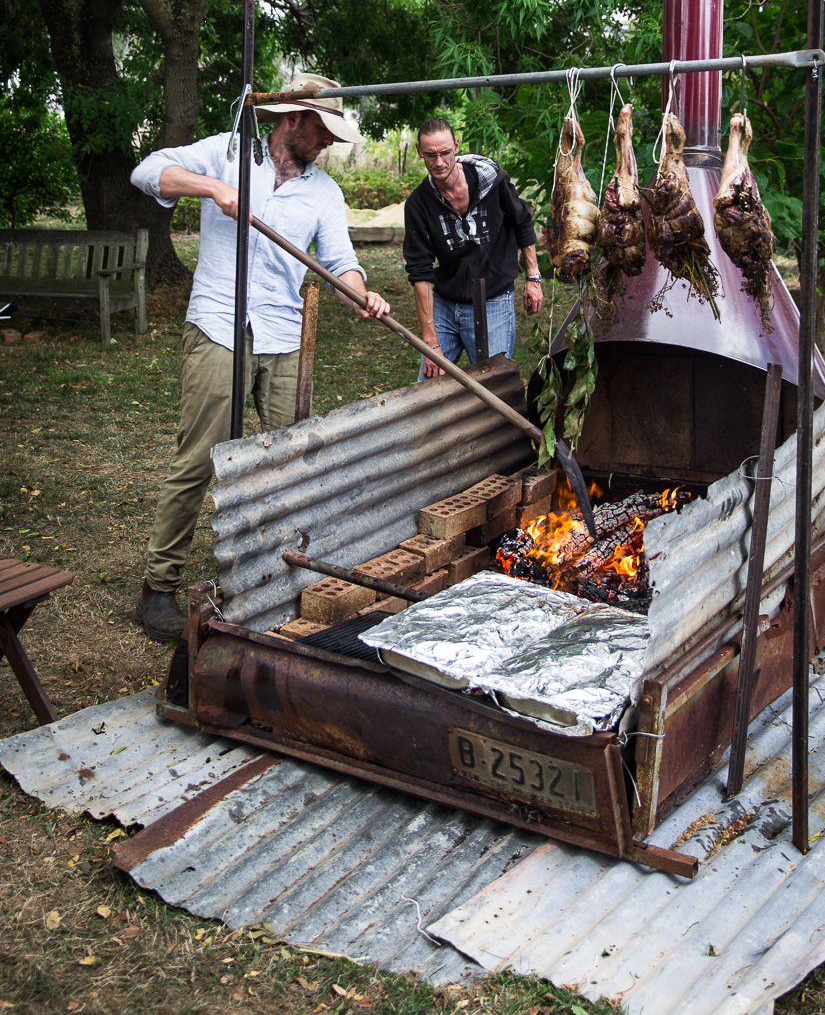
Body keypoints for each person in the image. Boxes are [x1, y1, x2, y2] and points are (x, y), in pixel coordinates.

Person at [130, 73, 389, 642]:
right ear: (291, 118)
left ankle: (272, 579)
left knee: (291, 462)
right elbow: (147, 171)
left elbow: (340, 259)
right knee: (200, 459)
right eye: (322, 131)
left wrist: (359, 290)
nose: (327, 145)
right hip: (220, 323)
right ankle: (159, 586)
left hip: (282, 332)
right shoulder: (225, 154)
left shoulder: (324, 192)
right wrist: (213, 190)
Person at [403, 117, 544, 378]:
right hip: (445, 303)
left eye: (445, 152)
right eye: (431, 155)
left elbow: (522, 220)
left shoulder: (491, 180)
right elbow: (419, 270)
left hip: (494, 298)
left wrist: (533, 277)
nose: (439, 162)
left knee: (493, 387)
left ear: (456, 145)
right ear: (419, 152)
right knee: (427, 387)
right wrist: (430, 339)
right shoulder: (418, 204)